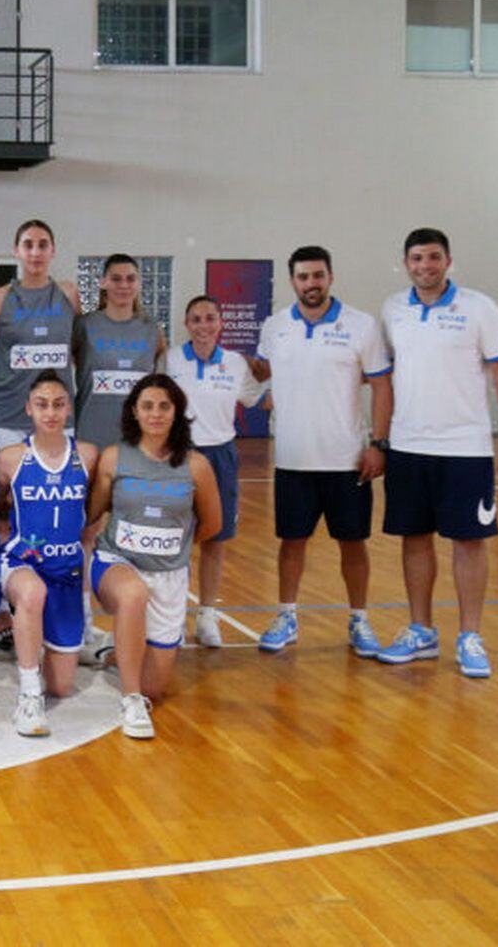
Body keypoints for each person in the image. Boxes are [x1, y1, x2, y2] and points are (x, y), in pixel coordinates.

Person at [377, 228, 498, 678]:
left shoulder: (479, 308)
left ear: (448, 261)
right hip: (407, 445)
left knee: (469, 541)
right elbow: (383, 375)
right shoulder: (392, 310)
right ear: (406, 264)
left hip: (465, 448)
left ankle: (470, 636)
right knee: (414, 538)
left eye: (434, 257)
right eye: (417, 258)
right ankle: (421, 630)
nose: (426, 265)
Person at [253, 246, 392, 657]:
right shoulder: (275, 327)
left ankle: (359, 619)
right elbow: (259, 374)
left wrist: (379, 444)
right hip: (292, 458)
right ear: (292, 281)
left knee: (353, 543)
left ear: (330, 277)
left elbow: (381, 385)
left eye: (317, 275)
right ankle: (287, 616)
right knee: (291, 542)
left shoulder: (362, 325)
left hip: (347, 459)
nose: (311, 283)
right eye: (303, 277)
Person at [85, 375, 223, 739]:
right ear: (134, 411)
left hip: (169, 575)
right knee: (133, 594)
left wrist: (174, 547)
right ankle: (131, 701)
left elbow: (212, 524)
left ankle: (114, 651)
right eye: (147, 406)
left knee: (155, 688)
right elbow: (92, 514)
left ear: (177, 412)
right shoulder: (114, 458)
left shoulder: (196, 465)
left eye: (164, 406)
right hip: (116, 563)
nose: (156, 414)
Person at [0, 371, 101, 736]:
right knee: (31, 592)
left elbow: (93, 512)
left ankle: (32, 634)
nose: (50, 413)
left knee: (61, 686)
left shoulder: (87, 455)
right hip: (22, 562)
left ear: (68, 408)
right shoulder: (11, 458)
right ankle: (28, 695)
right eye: (42, 405)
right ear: (29, 408)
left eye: (58, 404)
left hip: (67, 570)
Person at [169, 295, 267, 647]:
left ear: (220, 323)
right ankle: (172, 616)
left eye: (210, 318)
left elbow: (260, 400)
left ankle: (207, 616)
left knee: (215, 538)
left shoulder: (236, 363)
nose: (204, 325)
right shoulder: (171, 360)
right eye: (196, 319)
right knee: (175, 540)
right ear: (186, 324)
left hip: (221, 456)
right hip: (179, 456)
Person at [0, 219, 83, 448]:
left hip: (57, 417)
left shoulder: (69, 294)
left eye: (43, 245)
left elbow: (77, 350)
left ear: (53, 250)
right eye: (28, 245)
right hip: (5, 419)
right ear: (16, 251)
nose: (35, 252)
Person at [72, 254, 166, 449]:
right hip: (90, 436)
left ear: (138, 284)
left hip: (138, 438)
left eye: (130, 279)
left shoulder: (151, 329)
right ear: (103, 282)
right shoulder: (84, 325)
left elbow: (161, 377)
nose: (124, 285)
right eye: (116, 279)